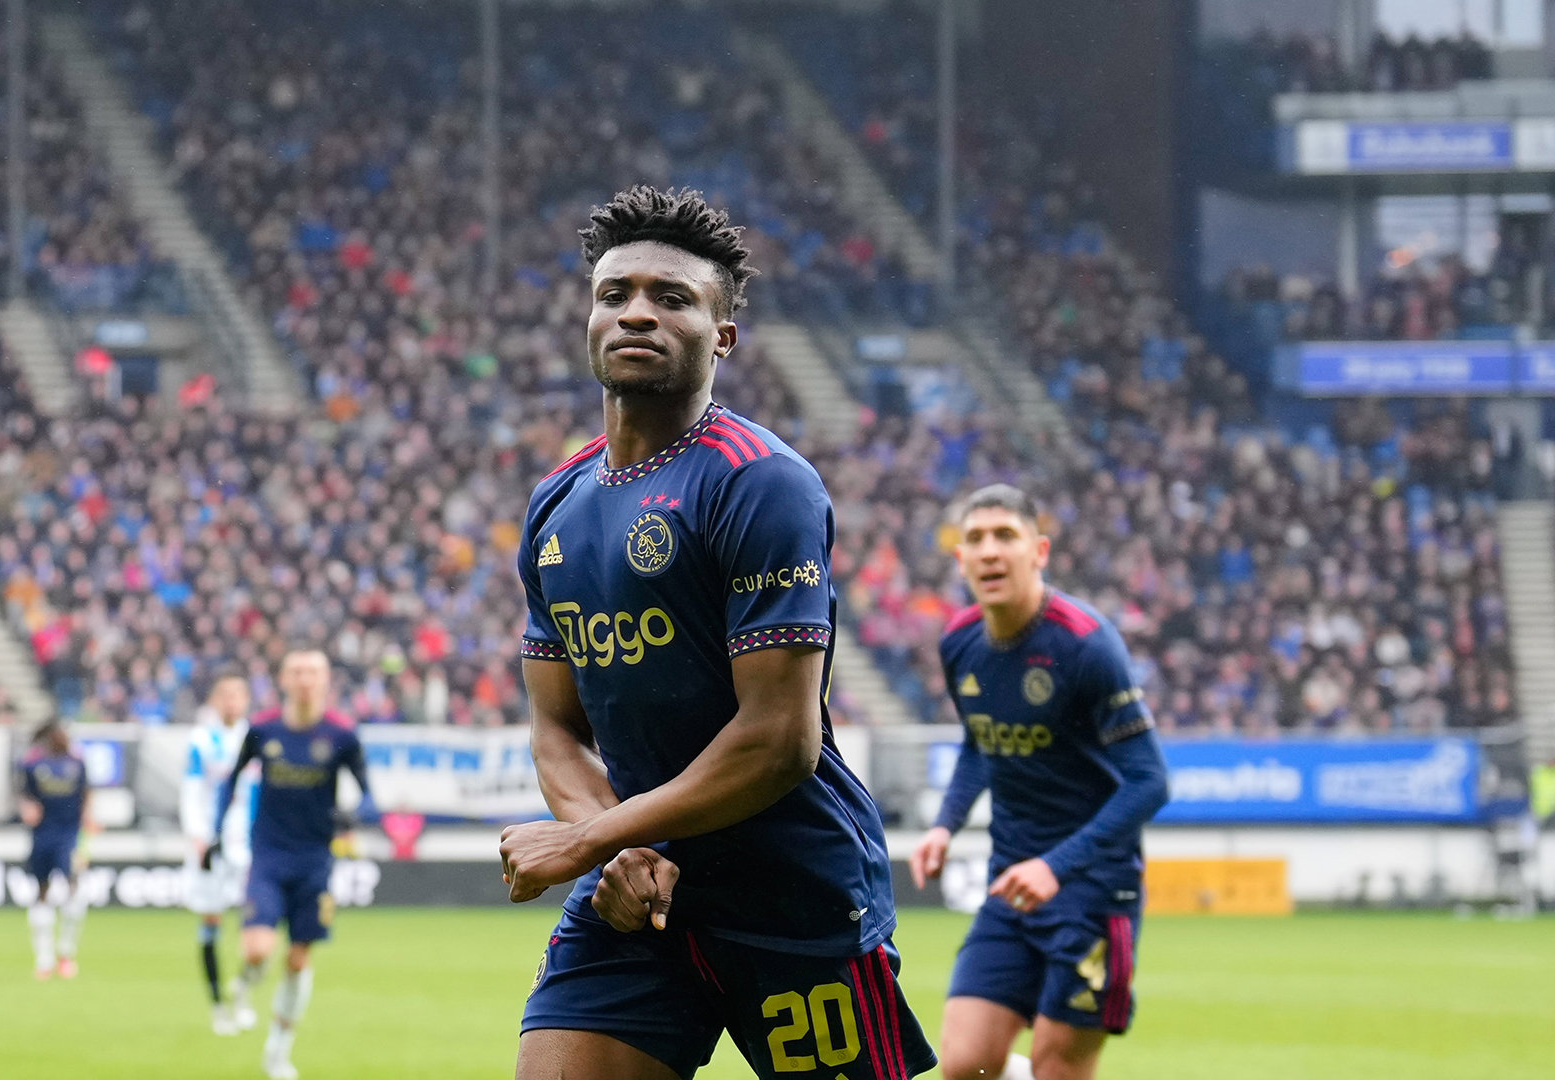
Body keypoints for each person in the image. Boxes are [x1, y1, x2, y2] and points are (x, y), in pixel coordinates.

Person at [498, 186, 935, 1080]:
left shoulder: (761, 482)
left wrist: (585, 841)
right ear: (589, 319)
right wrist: (617, 849)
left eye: (672, 298)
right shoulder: (555, 502)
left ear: (722, 336)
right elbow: (556, 729)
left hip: (789, 893)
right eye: (615, 294)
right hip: (637, 892)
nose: (637, 313)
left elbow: (779, 742)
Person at [910, 485, 1170, 1080]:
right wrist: (945, 825)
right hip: (1011, 883)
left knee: (1060, 1068)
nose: (990, 551)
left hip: (1093, 891)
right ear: (960, 560)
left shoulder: (1085, 644)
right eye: (976, 539)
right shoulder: (960, 643)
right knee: (966, 1063)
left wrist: (1055, 866)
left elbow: (1150, 780)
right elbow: (980, 741)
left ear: (1039, 551)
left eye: (1006, 536)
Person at [211, 649, 370, 1080]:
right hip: (267, 856)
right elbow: (230, 781)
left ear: (325, 680)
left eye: (312, 672)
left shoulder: (342, 735)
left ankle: (277, 1052)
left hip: (315, 861)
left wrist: (352, 816)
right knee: (257, 949)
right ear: (282, 679)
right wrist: (215, 831)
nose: (304, 679)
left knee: (298, 960)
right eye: (297, 672)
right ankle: (245, 983)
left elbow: (367, 793)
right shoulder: (262, 730)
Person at [183, 669, 260, 1035]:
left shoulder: (258, 737)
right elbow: (192, 788)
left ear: (246, 700)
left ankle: (243, 990)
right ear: (215, 700)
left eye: (237, 695)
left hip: (251, 843)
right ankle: (217, 1007)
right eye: (224, 695)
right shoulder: (201, 739)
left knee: (258, 924)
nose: (231, 702)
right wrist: (197, 834)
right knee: (211, 922)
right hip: (213, 842)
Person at [20, 721, 94, 980]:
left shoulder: (77, 764)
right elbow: (24, 793)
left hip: (69, 836)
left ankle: (66, 952)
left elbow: (86, 793)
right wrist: (26, 807)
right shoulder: (33, 765)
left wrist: (89, 819)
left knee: (73, 887)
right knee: (42, 891)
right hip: (42, 835)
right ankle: (44, 958)